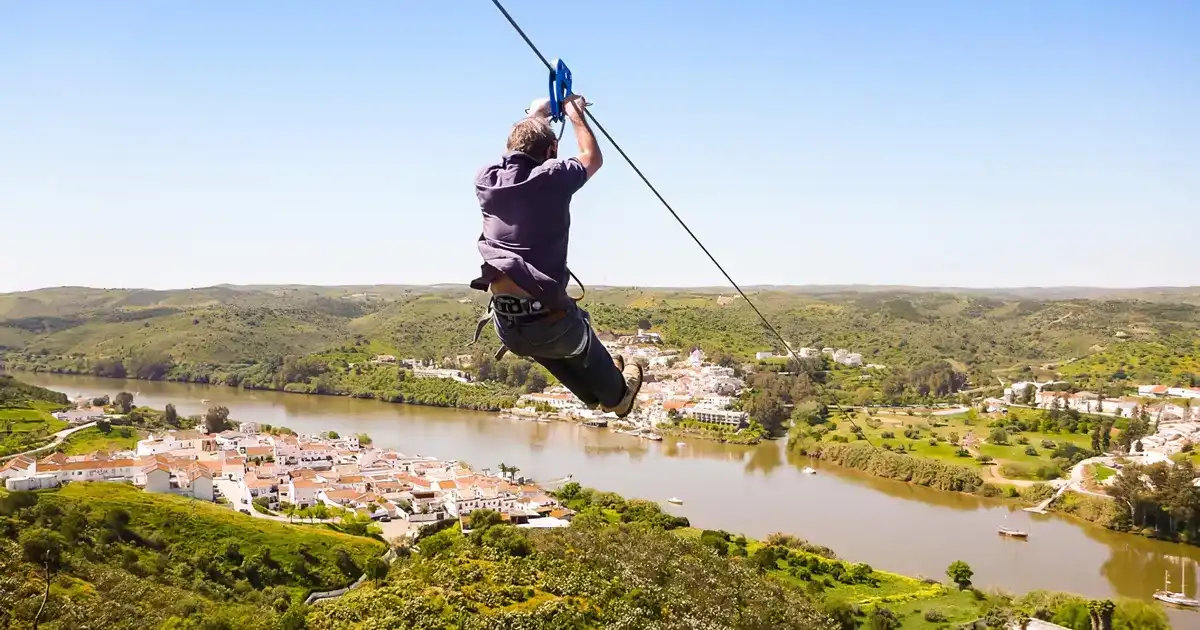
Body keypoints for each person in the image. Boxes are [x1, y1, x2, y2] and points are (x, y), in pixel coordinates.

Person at [469, 94, 643, 417]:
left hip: (507, 327)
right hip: (550, 324)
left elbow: (514, 153)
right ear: (551, 153)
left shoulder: (486, 181)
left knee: (546, 346)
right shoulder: (551, 177)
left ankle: (590, 397)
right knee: (577, 337)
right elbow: (592, 157)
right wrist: (575, 114)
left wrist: (536, 115)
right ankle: (616, 395)